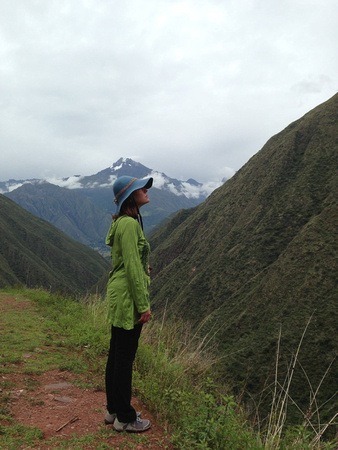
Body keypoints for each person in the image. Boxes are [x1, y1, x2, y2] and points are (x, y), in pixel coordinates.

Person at [104, 175, 153, 433]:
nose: (145, 190)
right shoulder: (131, 225)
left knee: (116, 354)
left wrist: (142, 266)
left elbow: (129, 261)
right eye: (140, 188)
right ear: (130, 197)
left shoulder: (123, 223)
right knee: (124, 358)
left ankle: (113, 410)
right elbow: (133, 268)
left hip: (118, 293)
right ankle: (125, 417)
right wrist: (143, 305)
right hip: (128, 297)